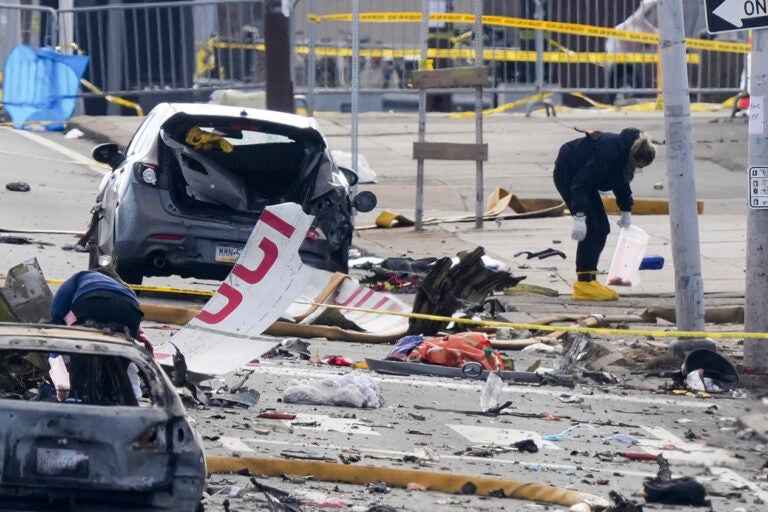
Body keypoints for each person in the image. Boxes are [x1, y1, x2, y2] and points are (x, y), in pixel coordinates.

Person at [553, 127, 656, 301]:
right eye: (638, 166)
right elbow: (581, 182)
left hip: (584, 179)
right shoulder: (609, 151)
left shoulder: (625, 153)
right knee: (592, 228)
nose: (638, 170)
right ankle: (583, 284)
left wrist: (626, 210)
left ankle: (590, 279)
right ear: (634, 157)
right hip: (569, 172)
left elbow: (620, 182)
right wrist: (579, 216)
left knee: (602, 228)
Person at [51, 266, 144, 337]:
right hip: (132, 309)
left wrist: (56, 329)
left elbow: (59, 306)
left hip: (94, 300)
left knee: (82, 349)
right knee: (127, 352)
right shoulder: (124, 287)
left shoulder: (81, 276)